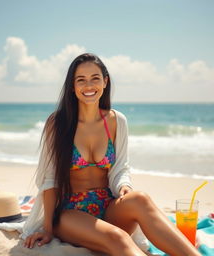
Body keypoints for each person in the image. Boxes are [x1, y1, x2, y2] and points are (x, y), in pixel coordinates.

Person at [22, 53, 200, 255]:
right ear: (72, 86)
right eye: (81, 80)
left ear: (105, 82)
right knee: (119, 238)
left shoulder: (117, 121)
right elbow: (49, 179)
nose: (89, 86)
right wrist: (47, 228)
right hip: (69, 213)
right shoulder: (58, 123)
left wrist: (124, 186)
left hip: (107, 205)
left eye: (95, 78)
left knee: (140, 198)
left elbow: (121, 167)